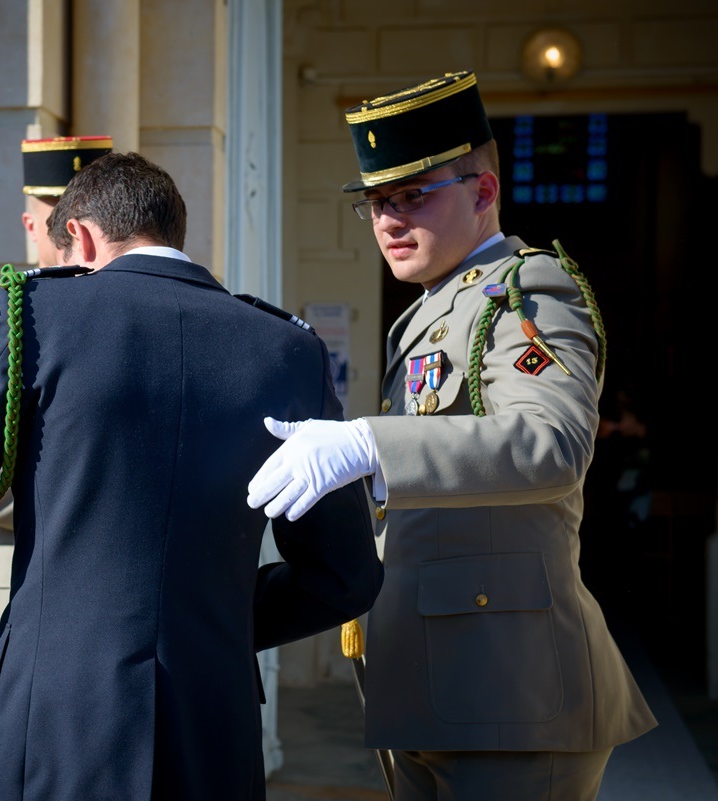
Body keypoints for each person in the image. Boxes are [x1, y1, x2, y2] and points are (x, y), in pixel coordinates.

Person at [0, 151, 384, 800]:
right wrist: (206, 618)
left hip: (49, 709)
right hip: (210, 718)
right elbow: (347, 577)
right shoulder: (289, 349)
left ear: (78, 235)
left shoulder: (33, 319)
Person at [246, 70, 656, 800]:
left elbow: (552, 444)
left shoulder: (527, 290)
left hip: (512, 696)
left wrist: (373, 444)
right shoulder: (439, 307)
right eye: (377, 202)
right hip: (440, 688)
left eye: (414, 195)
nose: (390, 220)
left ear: (483, 192)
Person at [0, 134, 113, 681]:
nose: (69, 229)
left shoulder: (141, 319)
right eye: (58, 213)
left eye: (84, 212)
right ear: (32, 225)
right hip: (26, 579)